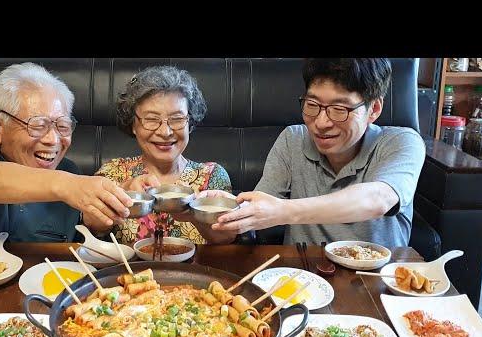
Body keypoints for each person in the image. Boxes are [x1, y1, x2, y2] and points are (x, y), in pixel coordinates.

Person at [207, 58, 426, 248]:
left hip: (376, 284)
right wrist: (221, 208)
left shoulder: (401, 142)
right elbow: (259, 209)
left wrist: (285, 211)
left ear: (374, 109)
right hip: (301, 278)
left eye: (339, 109)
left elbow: (378, 199)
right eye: (312, 104)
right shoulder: (293, 139)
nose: (321, 123)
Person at [0, 62, 132, 242]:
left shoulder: (69, 170)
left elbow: (74, 249)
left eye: (62, 126)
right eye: (38, 124)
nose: (53, 140)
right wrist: (66, 184)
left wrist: (97, 221)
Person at [94, 65, 233, 244]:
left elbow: (227, 239)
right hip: (129, 272)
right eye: (151, 119)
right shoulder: (112, 172)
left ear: (189, 123)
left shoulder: (212, 176)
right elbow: (92, 227)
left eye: (177, 119)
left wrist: (192, 215)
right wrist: (121, 195)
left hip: (197, 271)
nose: (165, 132)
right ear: (133, 125)